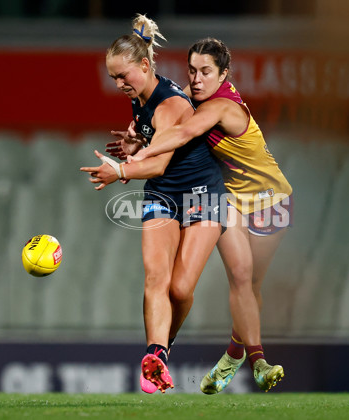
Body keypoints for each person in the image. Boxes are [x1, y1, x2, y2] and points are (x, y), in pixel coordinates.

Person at [126, 38, 293, 393]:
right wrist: (139, 137)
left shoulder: (221, 107)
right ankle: (258, 362)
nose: (197, 79)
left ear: (224, 75)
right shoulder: (195, 93)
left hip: (271, 201)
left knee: (253, 287)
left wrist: (136, 159)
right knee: (241, 277)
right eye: (192, 70)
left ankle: (233, 354)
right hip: (228, 198)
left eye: (206, 72)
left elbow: (184, 130)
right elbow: (166, 109)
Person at [80, 17, 227, 394]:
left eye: (123, 76)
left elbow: (159, 162)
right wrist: (135, 145)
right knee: (154, 277)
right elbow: (159, 150)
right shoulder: (141, 98)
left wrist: (121, 170)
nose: (119, 85)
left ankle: (165, 346)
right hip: (164, 193)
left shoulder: (170, 105)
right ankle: (155, 357)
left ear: (144, 66)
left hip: (203, 195)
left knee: (179, 289)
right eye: (114, 78)